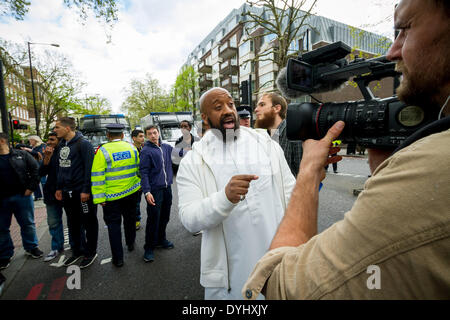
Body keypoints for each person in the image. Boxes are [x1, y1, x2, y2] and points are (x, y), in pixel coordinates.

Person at [243, 0, 450, 299]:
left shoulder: (434, 170)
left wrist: (309, 174)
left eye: (405, 29)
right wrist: (385, 170)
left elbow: (282, 285)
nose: (392, 51)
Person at [176, 87, 296, 300]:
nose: (228, 111)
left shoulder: (266, 144)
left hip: (279, 261)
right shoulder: (193, 162)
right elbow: (189, 218)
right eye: (218, 107)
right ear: (204, 118)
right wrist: (224, 198)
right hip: (233, 280)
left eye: (230, 104)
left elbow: (290, 192)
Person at [91, 124, 141, 267]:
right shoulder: (131, 148)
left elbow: (97, 175)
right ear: (123, 135)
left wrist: (100, 198)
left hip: (111, 197)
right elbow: (138, 169)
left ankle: (118, 259)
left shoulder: (102, 151)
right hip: (131, 192)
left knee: (114, 226)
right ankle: (131, 243)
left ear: (108, 135)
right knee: (130, 220)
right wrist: (138, 186)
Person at [54, 117, 99, 269]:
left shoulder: (84, 144)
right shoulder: (61, 144)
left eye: (57, 127)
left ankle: (90, 252)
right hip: (67, 192)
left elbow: (89, 168)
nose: (55, 130)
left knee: (89, 223)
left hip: (82, 192)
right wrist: (59, 188)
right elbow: (60, 168)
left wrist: (86, 189)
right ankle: (77, 251)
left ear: (67, 128)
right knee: (72, 223)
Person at [0, 132, 43, 270]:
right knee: (2, 228)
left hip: (22, 196)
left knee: (28, 223)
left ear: (2, 141)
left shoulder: (21, 154)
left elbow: (36, 170)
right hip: (2, 199)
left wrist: (31, 188)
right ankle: (5, 255)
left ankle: (31, 247)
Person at [139, 125, 175, 263]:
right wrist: (147, 191)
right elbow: (144, 172)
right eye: (150, 134)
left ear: (159, 133)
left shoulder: (166, 147)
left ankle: (161, 239)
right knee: (154, 219)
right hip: (154, 190)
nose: (153, 136)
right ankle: (149, 248)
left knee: (165, 216)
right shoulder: (146, 151)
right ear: (147, 136)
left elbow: (180, 154)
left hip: (167, 188)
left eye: (155, 133)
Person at [254, 92, 303, 177]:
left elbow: (302, 174)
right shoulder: (265, 135)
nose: (256, 109)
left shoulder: (293, 132)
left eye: (262, 105)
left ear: (277, 108)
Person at [39, 132, 66, 262]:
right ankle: (56, 247)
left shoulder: (66, 151)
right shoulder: (48, 153)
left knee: (74, 221)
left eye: (51, 139)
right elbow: (41, 173)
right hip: (51, 192)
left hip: (66, 191)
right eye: (47, 140)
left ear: (59, 140)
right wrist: (46, 158)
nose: (48, 142)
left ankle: (77, 245)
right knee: (53, 222)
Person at [22, 135, 46, 201]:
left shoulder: (42, 145)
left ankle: (45, 194)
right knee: (34, 181)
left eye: (31, 140)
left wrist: (29, 150)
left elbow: (40, 154)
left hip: (40, 165)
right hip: (33, 166)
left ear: (35, 140)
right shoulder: (33, 147)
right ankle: (37, 196)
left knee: (43, 181)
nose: (30, 141)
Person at [131, 129, 145, 230]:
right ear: (134, 138)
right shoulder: (131, 150)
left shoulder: (144, 148)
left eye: (143, 136)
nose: (143, 138)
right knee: (136, 203)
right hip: (136, 182)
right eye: (140, 136)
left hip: (145, 180)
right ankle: (136, 221)